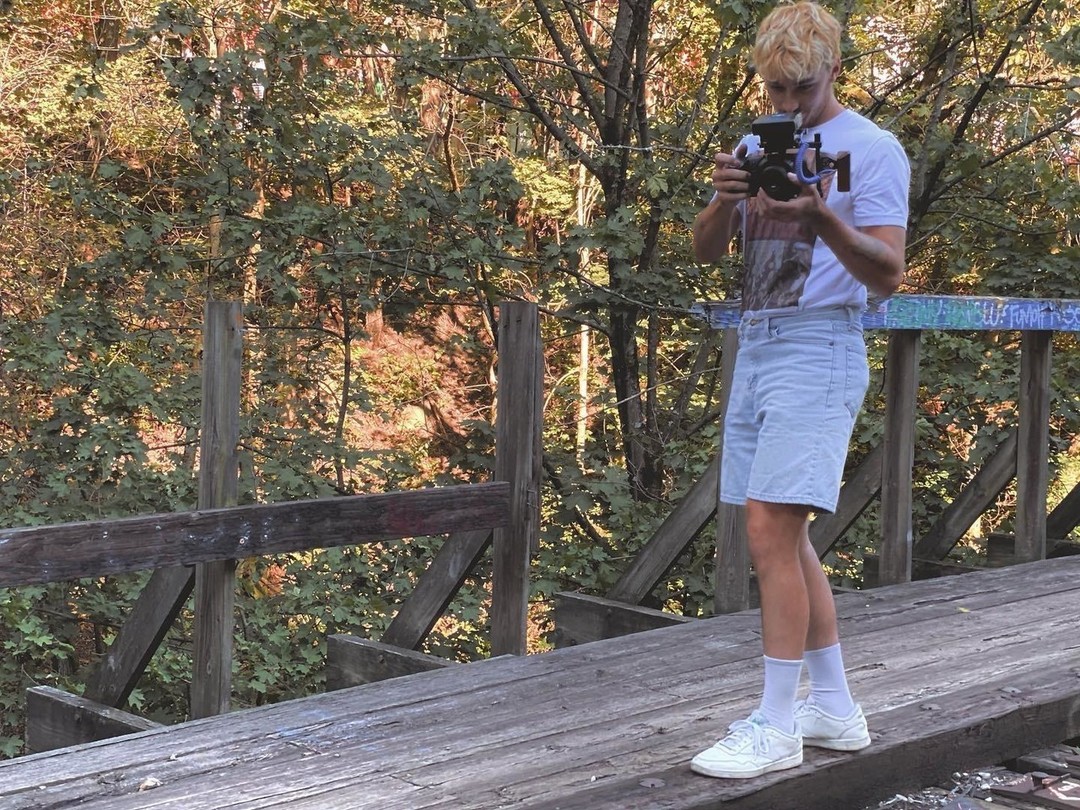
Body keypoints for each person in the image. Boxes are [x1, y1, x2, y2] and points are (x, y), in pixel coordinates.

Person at [688, 1, 910, 780]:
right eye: (775, 89)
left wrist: (819, 217)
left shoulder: (872, 149)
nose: (788, 104)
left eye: (802, 89)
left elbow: (888, 274)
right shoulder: (759, 143)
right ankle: (835, 709)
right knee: (787, 536)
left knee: (768, 533)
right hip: (759, 343)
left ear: (834, 70)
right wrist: (724, 196)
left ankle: (777, 724)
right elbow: (705, 250)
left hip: (820, 347)